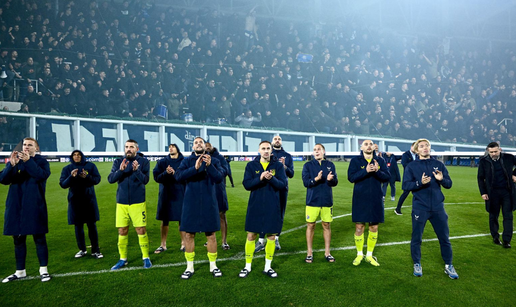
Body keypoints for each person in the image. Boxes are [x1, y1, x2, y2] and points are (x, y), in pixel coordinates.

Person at [402, 138, 458, 279]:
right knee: (416, 238)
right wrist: (419, 183)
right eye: (421, 146)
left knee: (444, 238)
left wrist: (441, 180)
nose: (425, 148)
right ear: (416, 150)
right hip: (420, 208)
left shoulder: (438, 164)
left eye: (427, 145)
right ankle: (417, 263)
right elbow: (405, 186)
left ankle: (449, 265)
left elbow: (449, 184)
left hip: (438, 208)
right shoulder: (411, 166)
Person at [1, 138, 51, 283]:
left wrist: (28, 161)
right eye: (24, 145)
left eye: (30, 145)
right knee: (18, 239)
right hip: (16, 206)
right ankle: (20, 271)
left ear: (37, 148)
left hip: (35, 205)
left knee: (39, 238)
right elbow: (3, 179)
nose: (26, 147)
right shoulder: (16, 161)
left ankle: (44, 270)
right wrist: (11, 165)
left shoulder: (41, 162)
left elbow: (40, 175)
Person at [175, 137, 224, 279]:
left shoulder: (214, 160)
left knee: (211, 235)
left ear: (205, 146)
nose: (198, 144)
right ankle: (189, 267)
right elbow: (178, 176)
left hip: (209, 203)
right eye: (195, 143)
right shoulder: (186, 161)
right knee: (189, 235)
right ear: (192, 146)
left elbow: (219, 178)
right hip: (191, 203)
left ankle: (213, 266)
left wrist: (209, 166)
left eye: (200, 142)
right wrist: (195, 168)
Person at [239, 141, 287, 278]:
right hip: (255, 205)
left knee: (271, 236)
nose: (266, 151)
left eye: (268, 149)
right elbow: (247, 184)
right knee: (251, 235)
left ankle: (268, 267)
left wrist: (271, 179)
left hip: (273, 205)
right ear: (259, 150)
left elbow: (282, 185)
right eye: (263, 148)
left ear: (271, 151)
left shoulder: (277, 166)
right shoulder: (251, 165)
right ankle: (247, 266)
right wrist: (260, 178)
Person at [108, 139, 152, 270]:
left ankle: (146, 258)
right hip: (121, 203)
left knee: (141, 230)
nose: (128, 149)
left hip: (138, 202)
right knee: (122, 230)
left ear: (136, 149)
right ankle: (123, 259)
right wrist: (120, 171)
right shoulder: (118, 162)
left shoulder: (144, 162)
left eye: (131, 147)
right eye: (126, 146)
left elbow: (145, 180)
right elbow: (111, 179)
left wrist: (136, 170)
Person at [348, 139, 390, 267]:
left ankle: (369, 255)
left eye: (370, 144)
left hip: (376, 198)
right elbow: (351, 178)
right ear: (361, 147)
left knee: (374, 227)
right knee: (359, 227)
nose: (368, 146)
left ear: (374, 147)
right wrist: (365, 171)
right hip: (360, 198)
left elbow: (387, 177)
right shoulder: (355, 161)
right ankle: (360, 254)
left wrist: (377, 171)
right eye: (366, 144)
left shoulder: (381, 161)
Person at [59, 150, 103, 259]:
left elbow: (97, 180)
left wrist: (87, 177)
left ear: (82, 156)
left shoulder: (90, 166)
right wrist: (71, 177)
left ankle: (95, 250)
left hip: (89, 199)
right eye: (74, 155)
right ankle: (82, 249)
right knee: (78, 226)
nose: (76, 156)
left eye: (78, 155)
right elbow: (63, 184)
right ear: (72, 157)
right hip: (75, 200)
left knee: (91, 225)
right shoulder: (67, 169)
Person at [256, 135, 293, 252]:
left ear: (281, 142)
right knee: (263, 212)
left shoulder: (287, 156)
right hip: (266, 188)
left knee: (280, 212)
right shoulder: (266, 154)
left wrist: (284, 166)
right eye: (275, 139)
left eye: (279, 139)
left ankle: (276, 238)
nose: (277, 140)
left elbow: (291, 173)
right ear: (272, 142)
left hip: (282, 188)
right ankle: (261, 239)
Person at [302, 144, 338, 263]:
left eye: (319, 149)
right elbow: (306, 182)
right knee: (310, 225)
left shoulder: (330, 165)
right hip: (312, 201)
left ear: (324, 152)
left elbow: (335, 182)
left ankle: (327, 252)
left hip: (327, 201)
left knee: (326, 225)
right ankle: (309, 252)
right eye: (314, 150)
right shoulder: (307, 165)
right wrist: (316, 180)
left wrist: (330, 180)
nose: (316, 151)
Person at [477, 142, 516, 248]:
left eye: (495, 151)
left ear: (500, 149)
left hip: (507, 192)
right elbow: (480, 178)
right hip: (492, 193)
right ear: (488, 151)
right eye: (491, 152)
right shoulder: (484, 161)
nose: (493, 154)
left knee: (508, 216)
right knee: (493, 216)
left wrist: (515, 174)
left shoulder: (509, 158)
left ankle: (507, 240)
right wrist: (483, 192)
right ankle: (495, 236)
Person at [152, 144, 186, 253]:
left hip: (180, 193)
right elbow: (156, 177)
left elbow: (187, 176)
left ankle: (184, 244)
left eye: (173, 146)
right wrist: (166, 173)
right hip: (166, 194)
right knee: (164, 220)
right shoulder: (162, 162)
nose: (171, 148)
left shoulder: (184, 161)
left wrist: (176, 174)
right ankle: (163, 244)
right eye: (169, 147)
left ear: (177, 149)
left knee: (182, 220)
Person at [206, 142, 231, 250]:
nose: (207, 147)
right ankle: (210, 240)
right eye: (205, 145)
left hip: (218, 189)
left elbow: (226, 171)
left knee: (221, 215)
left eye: (208, 145)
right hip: (206, 189)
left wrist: (213, 169)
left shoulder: (220, 158)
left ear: (212, 146)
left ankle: (224, 241)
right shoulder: (201, 157)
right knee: (209, 216)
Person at [395, 142, 417, 215]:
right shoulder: (405, 155)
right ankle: (398, 209)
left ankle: (416, 210)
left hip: (416, 177)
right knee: (405, 193)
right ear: (411, 146)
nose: (415, 148)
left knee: (417, 194)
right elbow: (405, 165)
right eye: (414, 146)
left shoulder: (418, 155)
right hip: (408, 178)